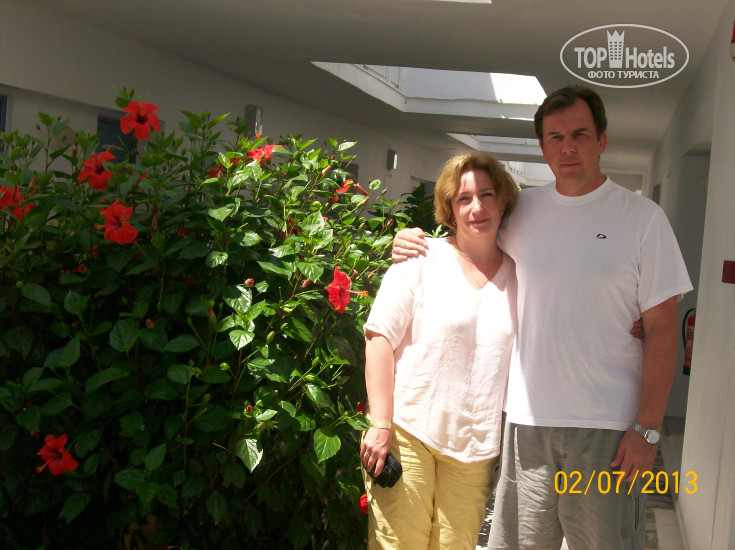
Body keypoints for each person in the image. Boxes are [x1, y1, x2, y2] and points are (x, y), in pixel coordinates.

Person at [392, 85, 693, 550]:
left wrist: (648, 429)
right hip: (526, 425)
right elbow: (469, 239)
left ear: (602, 140)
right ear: (542, 146)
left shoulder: (643, 219)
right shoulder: (522, 210)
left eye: (579, 134)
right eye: (556, 137)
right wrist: (413, 242)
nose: (567, 147)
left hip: (608, 429)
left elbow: (661, 329)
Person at [360, 153, 518, 549]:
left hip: (475, 447)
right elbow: (379, 339)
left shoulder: (523, 276)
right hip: (408, 431)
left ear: (503, 201)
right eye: (464, 199)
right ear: (450, 209)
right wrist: (380, 424)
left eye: (487, 195)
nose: (477, 208)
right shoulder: (420, 259)